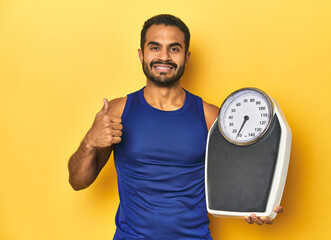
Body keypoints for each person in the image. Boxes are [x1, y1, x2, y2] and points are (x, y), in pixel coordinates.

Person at [68, 14, 283, 240]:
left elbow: (240, 180)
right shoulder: (116, 111)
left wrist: (261, 206)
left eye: (174, 49)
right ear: (141, 54)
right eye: (154, 47)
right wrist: (89, 142)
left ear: (186, 56)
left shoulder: (211, 116)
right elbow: (77, 181)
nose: (163, 57)